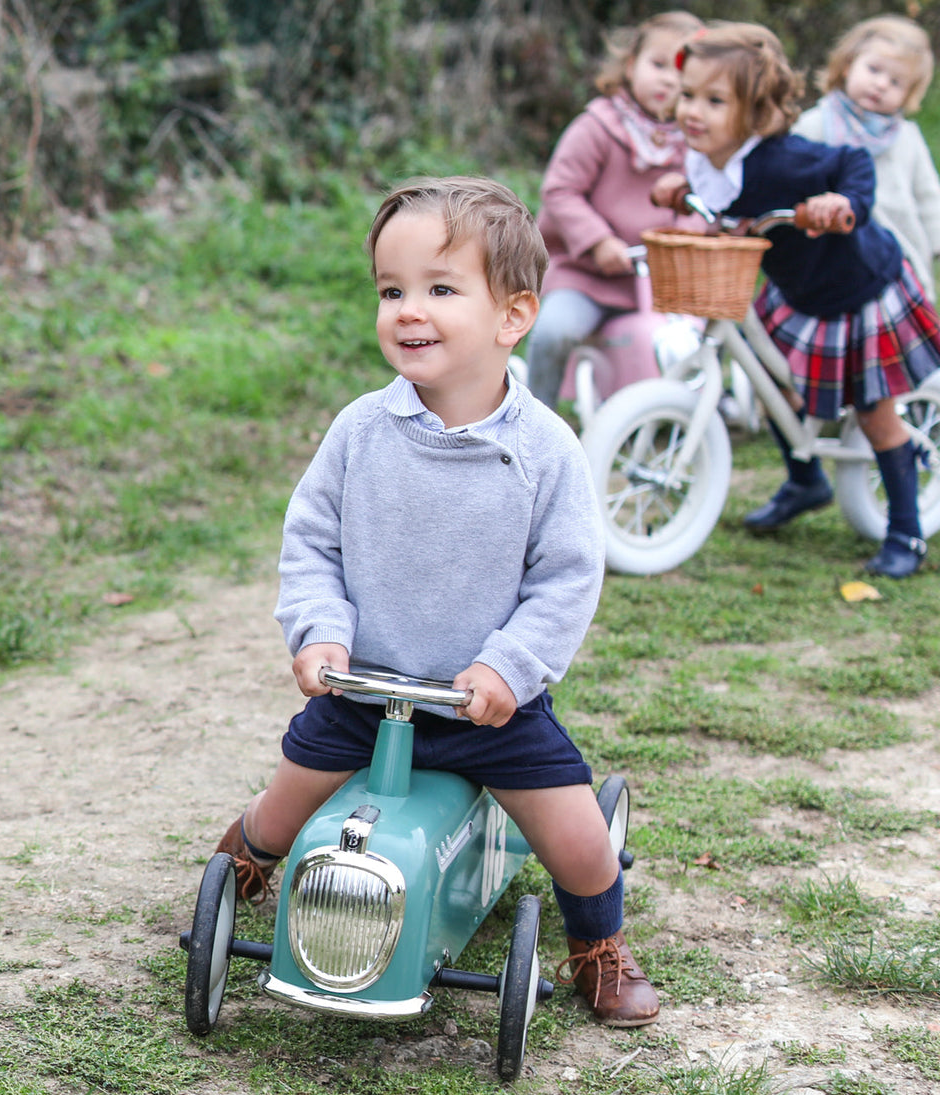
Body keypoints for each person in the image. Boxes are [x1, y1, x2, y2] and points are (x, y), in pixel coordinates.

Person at [213, 175, 659, 1027]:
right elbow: (313, 544)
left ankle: (597, 947)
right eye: (392, 290)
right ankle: (243, 868)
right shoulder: (360, 431)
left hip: (486, 704)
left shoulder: (543, 450)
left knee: (574, 838)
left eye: (440, 289)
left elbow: (564, 579)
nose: (408, 310)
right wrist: (320, 637)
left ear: (513, 317)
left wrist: (507, 666)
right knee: (283, 803)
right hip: (365, 693)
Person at [658, 21, 940, 579]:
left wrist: (843, 202)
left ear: (756, 112)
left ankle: (906, 531)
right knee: (772, 379)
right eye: (688, 95)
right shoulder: (707, 153)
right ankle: (806, 480)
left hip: (858, 289)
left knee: (875, 413)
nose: (694, 111)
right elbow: (725, 205)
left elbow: (852, 164)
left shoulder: (782, 160)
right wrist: (678, 192)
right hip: (797, 290)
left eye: (715, 100)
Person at [526, 9, 704, 410]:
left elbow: (700, 202)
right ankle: (537, 417)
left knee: (701, 336)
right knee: (555, 331)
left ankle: (689, 410)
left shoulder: (695, 141)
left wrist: (688, 243)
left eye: (680, 73)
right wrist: (599, 241)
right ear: (630, 64)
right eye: (657, 65)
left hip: (660, 279)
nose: (666, 79)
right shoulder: (600, 126)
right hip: (587, 273)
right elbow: (561, 190)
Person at [795, 14, 940, 304]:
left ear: (909, 93)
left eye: (896, 82)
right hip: (833, 263)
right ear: (848, 65)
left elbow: (928, 196)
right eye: (874, 69)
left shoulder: (906, 137)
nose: (881, 84)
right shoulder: (814, 125)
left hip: (901, 261)